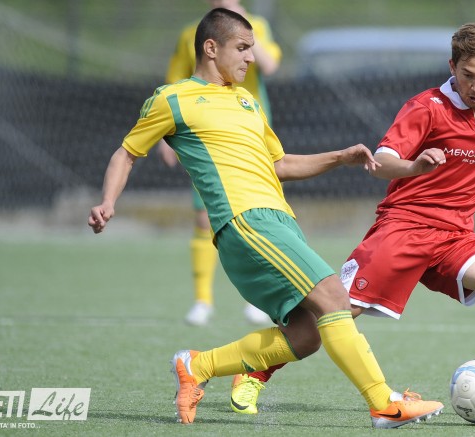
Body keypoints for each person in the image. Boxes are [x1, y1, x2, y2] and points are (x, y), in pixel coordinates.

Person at [88, 7, 444, 429]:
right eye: (242, 48)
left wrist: (339, 157)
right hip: (245, 221)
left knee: (306, 335)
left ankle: (197, 366)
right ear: (210, 48)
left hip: (278, 222)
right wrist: (108, 201)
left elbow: (280, 164)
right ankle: (384, 404)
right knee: (334, 296)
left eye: (252, 48)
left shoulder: (247, 101)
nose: (251, 58)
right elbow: (127, 152)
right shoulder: (174, 98)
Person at [228, 20, 475, 416]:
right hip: (403, 229)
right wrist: (415, 167)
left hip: (456, 237)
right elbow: (381, 161)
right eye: (468, 75)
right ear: (452, 66)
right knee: (332, 314)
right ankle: (253, 372)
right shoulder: (426, 108)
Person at [158, 0, 281, 326]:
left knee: (257, 216)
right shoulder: (192, 33)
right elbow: (174, 83)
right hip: (207, 136)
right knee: (204, 218)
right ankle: (203, 301)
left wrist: (241, 22)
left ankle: (258, 299)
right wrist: (163, 135)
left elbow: (269, 65)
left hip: (251, 135)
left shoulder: (257, 26)